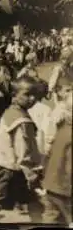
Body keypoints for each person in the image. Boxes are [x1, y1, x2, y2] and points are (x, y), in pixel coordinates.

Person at [0, 76, 43, 223]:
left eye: (34, 94)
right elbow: (23, 151)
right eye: (27, 94)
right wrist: (32, 175)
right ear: (14, 96)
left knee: (33, 203)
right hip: (15, 171)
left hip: (9, 168)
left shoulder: (10, 112)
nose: (32, 98)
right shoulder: (23, 121)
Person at [41, 75, 72, 224]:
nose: (69, 92)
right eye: (67, 90)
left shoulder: (64, 110)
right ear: (59, 92)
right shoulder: (59, 113)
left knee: (52, 211)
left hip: (57, 174)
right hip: (59, 171)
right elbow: (49, 137)